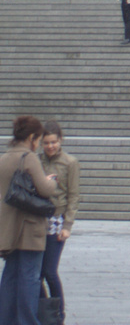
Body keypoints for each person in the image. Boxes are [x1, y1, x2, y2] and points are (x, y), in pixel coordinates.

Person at [0, 115, 57, 325]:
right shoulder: (29, 157)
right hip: (29, 229)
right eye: (39, 139)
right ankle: (27, 320)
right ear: (32, 137)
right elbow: (43, 188)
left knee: (10, 277)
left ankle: (6, 319)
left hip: (9, 228)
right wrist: (52, 181)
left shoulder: (4, 157)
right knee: (29, 278)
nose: (39, 144)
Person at [35, 122, 78, 323]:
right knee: (36, 273)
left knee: (49, 271)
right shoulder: (37, 161)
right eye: (46, 143)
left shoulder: (70, 162)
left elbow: (73, 196)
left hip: (57, 220)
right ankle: (45, 309)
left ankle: (58, 313)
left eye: (53, 142)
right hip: (38, 220)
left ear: (60, 140)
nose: (50, 146)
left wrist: (68, 226)